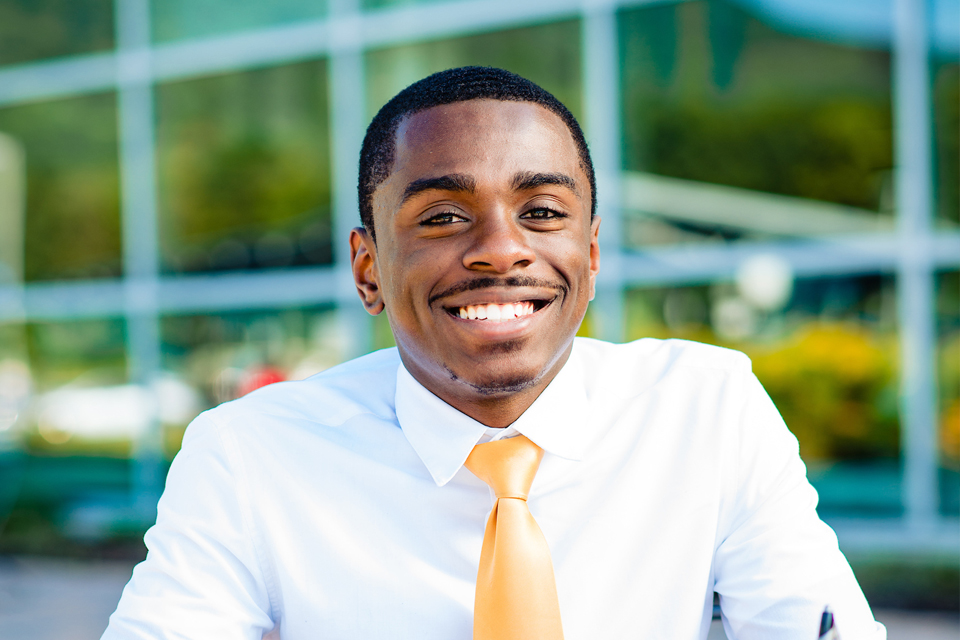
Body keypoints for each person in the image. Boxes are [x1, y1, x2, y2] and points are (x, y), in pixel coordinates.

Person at [102, 66, 885, 640]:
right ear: (368, 268)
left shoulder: (710, 407)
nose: (500, 250)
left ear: (592, 253)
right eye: (442, 217)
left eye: (542, 211)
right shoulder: (248, 454)